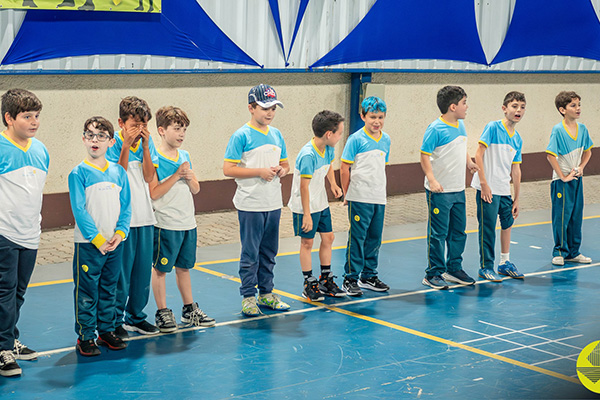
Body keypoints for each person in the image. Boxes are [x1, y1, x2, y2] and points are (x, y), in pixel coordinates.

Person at [223, 84, 291, 316]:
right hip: (251, 204)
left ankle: (267, 294)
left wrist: (282, 170)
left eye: (273, 108)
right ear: (251, 108)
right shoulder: (240, 135)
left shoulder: (277, 134)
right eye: (264, 108)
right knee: (250, 253)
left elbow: (285, 163)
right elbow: (228, 168)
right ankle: (248, 297)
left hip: (273, 203)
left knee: (269, 252)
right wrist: (259, 172)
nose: (270, 113)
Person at [148, 106, 215, 332]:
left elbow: (195, 189)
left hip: (188, 222)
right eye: (177, 129)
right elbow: (154, 192)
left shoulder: (185, 156)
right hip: (165, 223)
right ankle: (162, 311)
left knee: (184, 267)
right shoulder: (155, 158)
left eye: (184, 130)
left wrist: (189, 177)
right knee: (160, 269)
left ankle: (189, 309)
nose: (181, 134)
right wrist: (177, 175)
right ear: (161, 130)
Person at [69, 117, 131, 356]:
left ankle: (106, 330)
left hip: (115, 244)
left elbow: (126, 207)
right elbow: (79, 209)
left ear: (111, 141)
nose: (95, 140)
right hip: (89, 245)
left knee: (110, 288)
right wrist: (97, 239)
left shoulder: (119, 172)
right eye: (90, 135)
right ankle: (86, 335)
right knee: (86, 291)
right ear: (84, 139)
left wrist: (119, 233)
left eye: (101, 136)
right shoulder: (78, 173)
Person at [0, 89, 47, 377]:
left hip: (31, 233)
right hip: (3, 232)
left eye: (37, 116)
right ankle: (3, 348)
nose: (33, 122)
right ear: (8, 118)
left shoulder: (41, 150)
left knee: (18, 291)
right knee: (4, 291)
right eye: (27, 116)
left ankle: (8, 338)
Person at [106, 96, 160, 337]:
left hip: (145, 217)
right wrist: (126, 146)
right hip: (121, 220)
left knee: (141, 272)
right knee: (121, 274)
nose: (140, 130)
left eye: (144, 125)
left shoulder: (148, 144)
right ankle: (114, 319)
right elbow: (118, 175)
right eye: (135, 124)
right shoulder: (112, 143)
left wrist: (146, 147)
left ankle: (136, 316)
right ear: (121, 123)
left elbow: (149, 177)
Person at [420, 86, 479, 290]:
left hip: (458, 190)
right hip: (440, 191)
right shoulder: (435, 128)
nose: (467, 106)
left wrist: (469, 162)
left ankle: (453, 268)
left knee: (458, 231)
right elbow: (424, 155)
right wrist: (432, 179)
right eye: (464, 103)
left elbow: (460, 148)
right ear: (453, 106)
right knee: (438, 233)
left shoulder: (460, 126)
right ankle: (433, 273)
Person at [288, 110, 345, 301]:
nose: (340, 136)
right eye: (339, 133)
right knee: (307, 242)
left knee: (328, 237)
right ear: (329, 134)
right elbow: (304, 187)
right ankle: (308, 282)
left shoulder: (328, 148)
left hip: (320, 202)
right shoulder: (307, 155)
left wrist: (334, 184)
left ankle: (325, 278)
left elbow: (328, 165)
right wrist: (306, 214)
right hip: (304, 206)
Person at [471, 91, 526, 281]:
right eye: (514, 106)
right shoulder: (493, 127)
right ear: (504, 109)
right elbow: (478, 154)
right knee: (487, 228)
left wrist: (517, 198)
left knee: (507, 223)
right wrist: (484, 184)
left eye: (522, 107)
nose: (518, 110)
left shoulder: (517, 138)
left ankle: (504, 263)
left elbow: (516, 170)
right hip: (487, 189)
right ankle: (485, 267)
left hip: (504, 190)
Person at [340, 96, 391, 297]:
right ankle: (350, 277)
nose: (376, 121)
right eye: (372, 117)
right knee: (357, 238)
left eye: (380, 117)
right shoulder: (355, 140)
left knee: (374, 238)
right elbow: (345, 168)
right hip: (359, 197)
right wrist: (347, 193)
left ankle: (369, 276)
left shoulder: (386, 139)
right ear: (363, 116)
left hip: (379, 197)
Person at [546, 91, 593, 266]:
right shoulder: (558, 130)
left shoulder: (583, 129)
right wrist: (563, 176)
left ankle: (574, 251)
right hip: (561, 182)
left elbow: (588, 151)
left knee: (576, 215)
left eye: (579, 104)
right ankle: (559, 251)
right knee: (562, 217)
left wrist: (581, 167)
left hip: (577, 179)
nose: (578, 108)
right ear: (562, 109)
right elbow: (550, 155)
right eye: (573, 105)